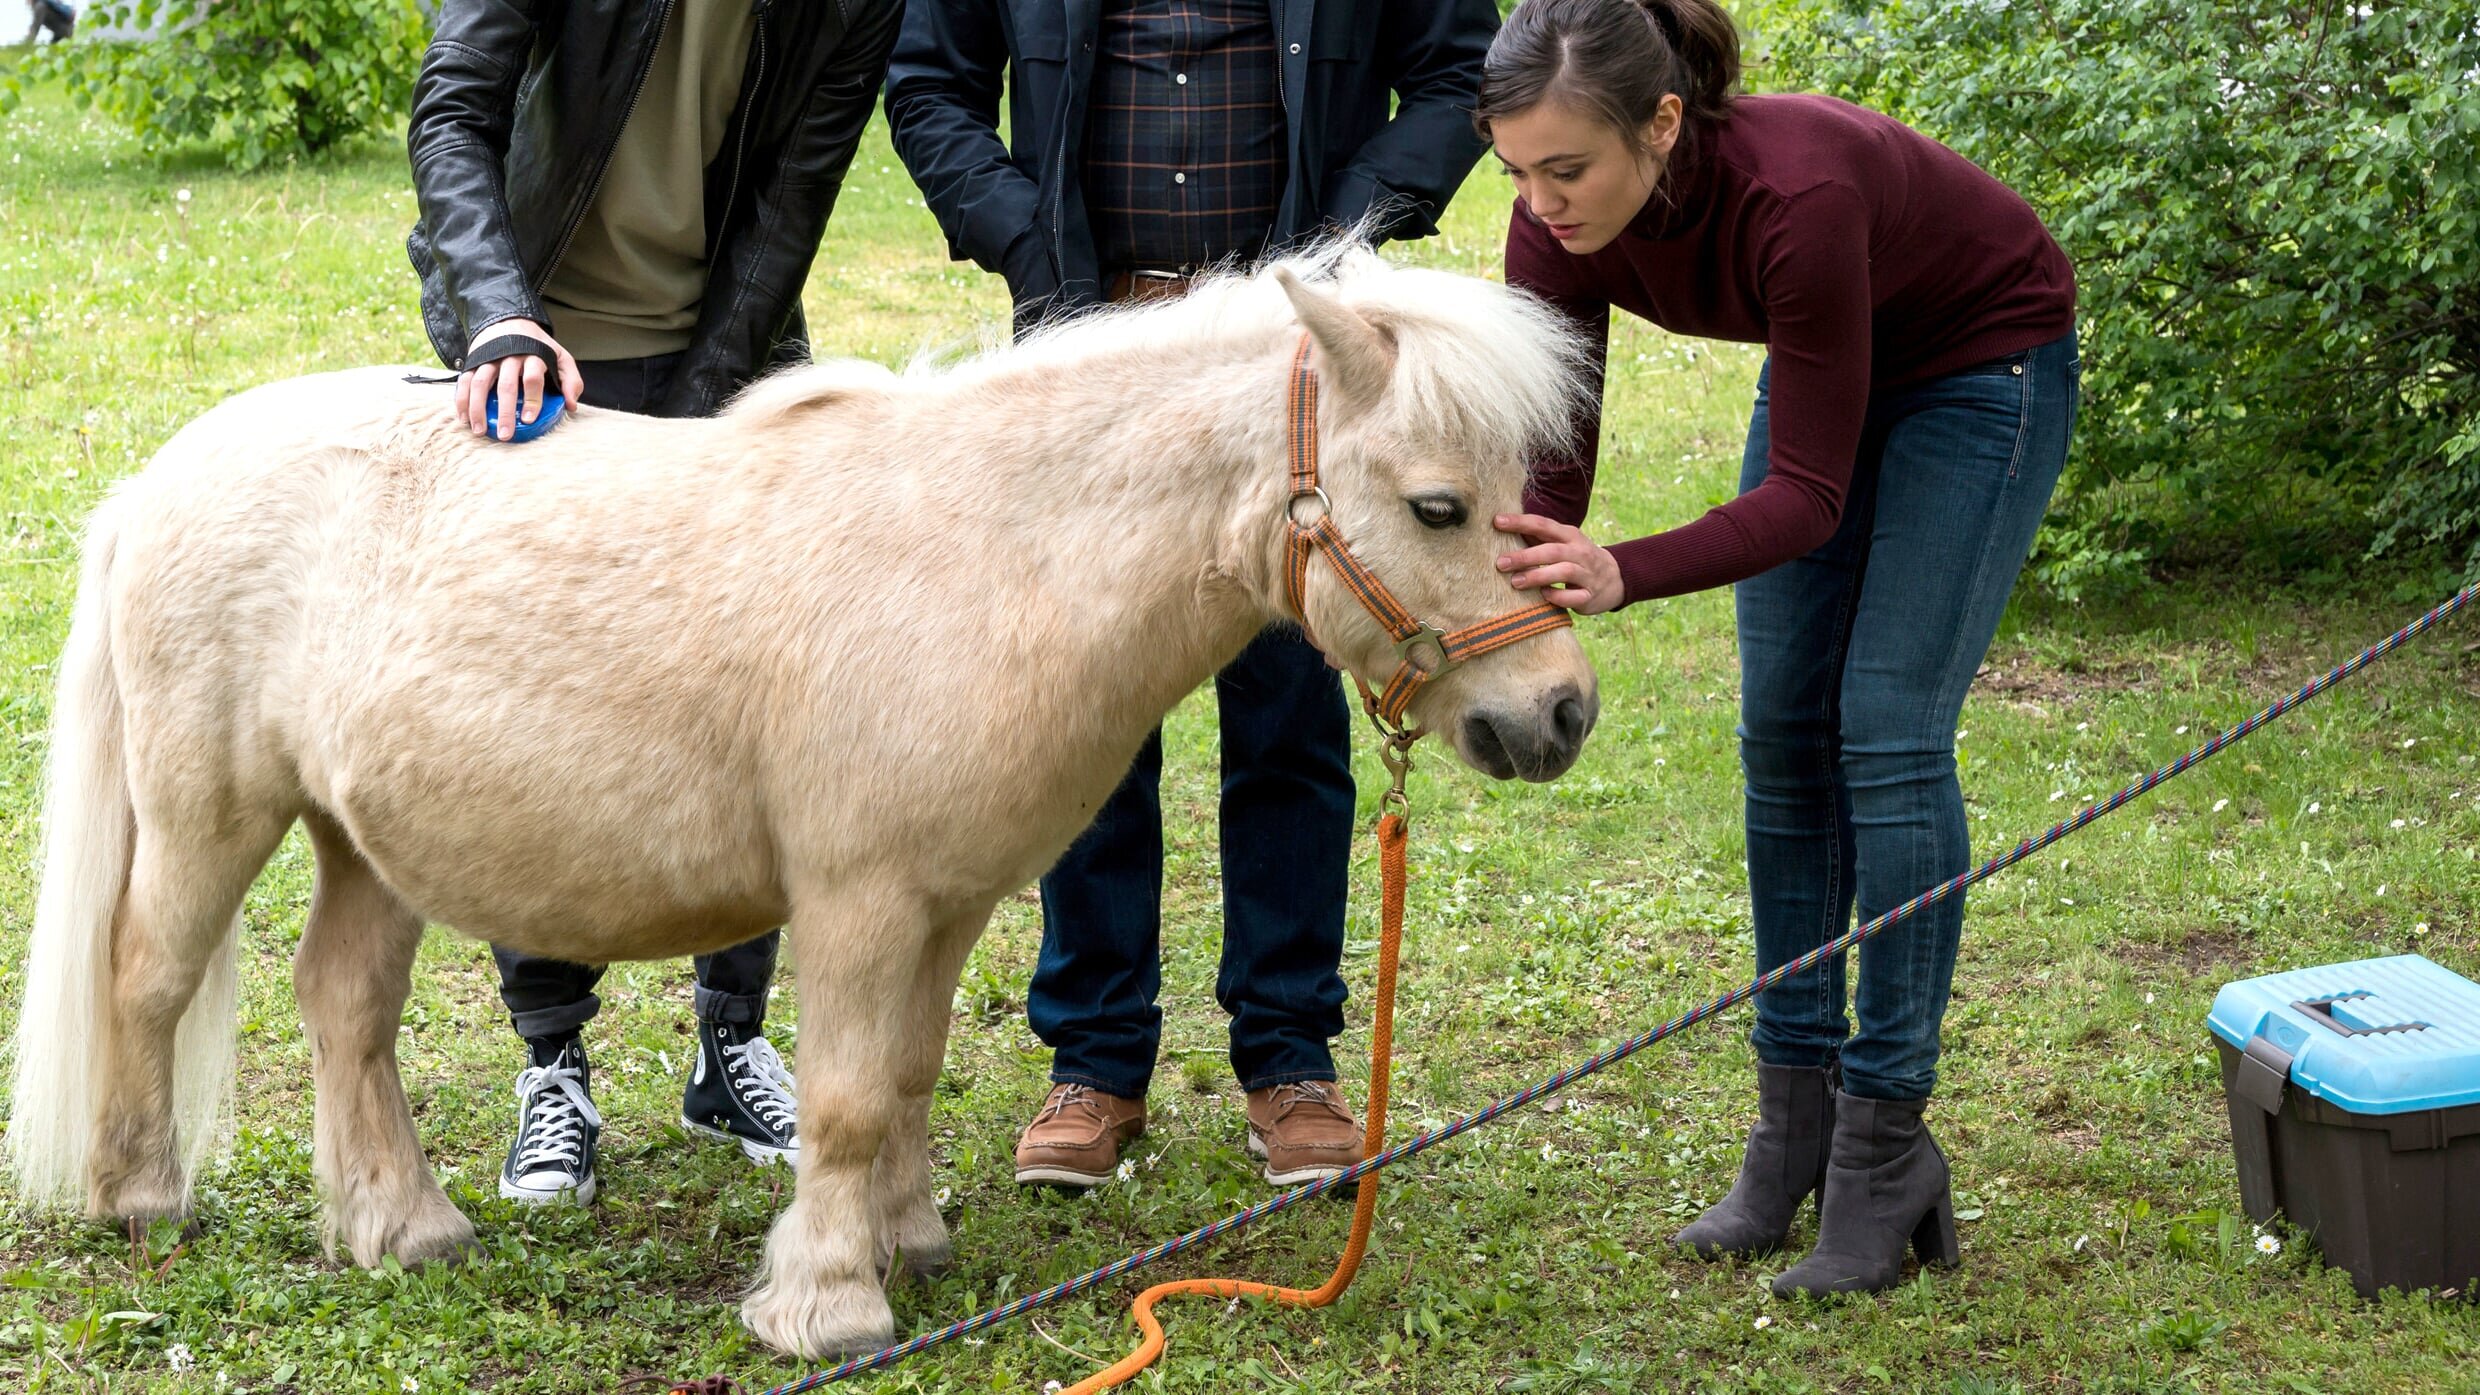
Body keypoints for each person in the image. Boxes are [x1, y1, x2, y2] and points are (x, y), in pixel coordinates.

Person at [1477, 0, 2078, 1294]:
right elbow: (1556, 456)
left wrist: (1624, 572)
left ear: (1664, 124)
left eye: (1566, 169)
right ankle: (1791, 1133)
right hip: (1834, 364)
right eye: (1515, 169)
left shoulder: (1795, 201)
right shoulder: (1551, 222)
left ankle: (1885, 1145)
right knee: (1779, 738)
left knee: (1888, 732)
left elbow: (1805, 497)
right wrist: (1517, 599)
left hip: (1981, 364)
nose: (1541, 202)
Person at [885, 0, 1498, 1188]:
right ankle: (1094, 1064)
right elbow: (927, 83)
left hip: (1289, 371)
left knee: (1287, 720)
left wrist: (1339, 237)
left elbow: (1457, 68)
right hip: (1087, 357)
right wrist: (1024, 236)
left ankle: (1289, 1062)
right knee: (1084, 724)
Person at [404, 0, 902, 1206]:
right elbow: (453, 112)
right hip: (533, 349)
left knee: (759, 701)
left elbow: (792, 198)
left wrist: (703, 414)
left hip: (729, 349)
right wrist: (496, 313)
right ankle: (551, 1065)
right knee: (545, 705)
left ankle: (731, 1044)